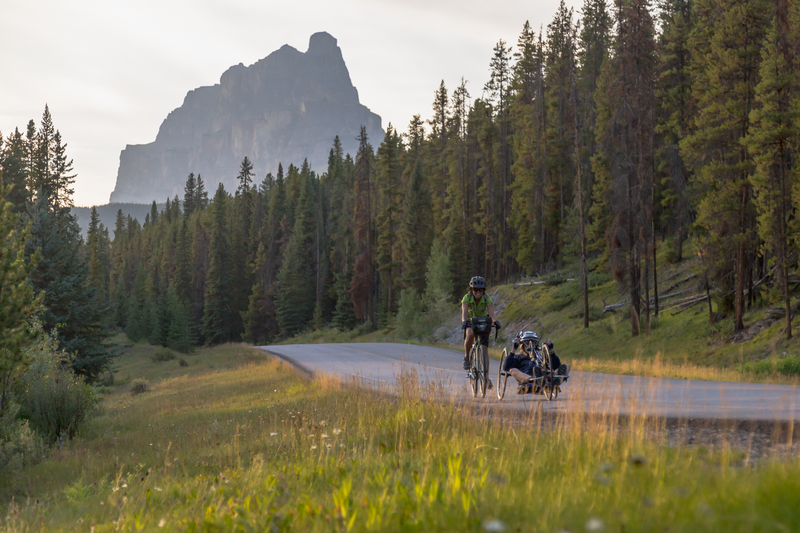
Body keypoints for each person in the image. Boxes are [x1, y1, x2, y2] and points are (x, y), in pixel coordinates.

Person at [461, 277, 501, 387]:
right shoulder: (467, 298)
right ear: (471, 290)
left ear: (483, 290)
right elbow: (464, 313)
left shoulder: (487, 298)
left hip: (483, 321)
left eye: (480, 290)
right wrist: (464, 322)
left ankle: (487, 379)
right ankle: (466, 357)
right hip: (471, 321)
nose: (478, 292)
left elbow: (492, 314)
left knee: (485, 350)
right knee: (470, 333)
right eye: (475, 289)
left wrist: (495, 322)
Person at [505, 336, 569, 394]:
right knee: (512, 370)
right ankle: (535, 379)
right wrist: (513, 349)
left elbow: (557, 366)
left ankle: (555, 380)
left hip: (545, 376)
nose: (530, 345)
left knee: (567, 366)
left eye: (533, 342)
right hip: (527, 376)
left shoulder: (541, 357)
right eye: (527, 342)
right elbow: (506, 367)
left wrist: (551, 351)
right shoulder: (518, 357)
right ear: (523, 345)